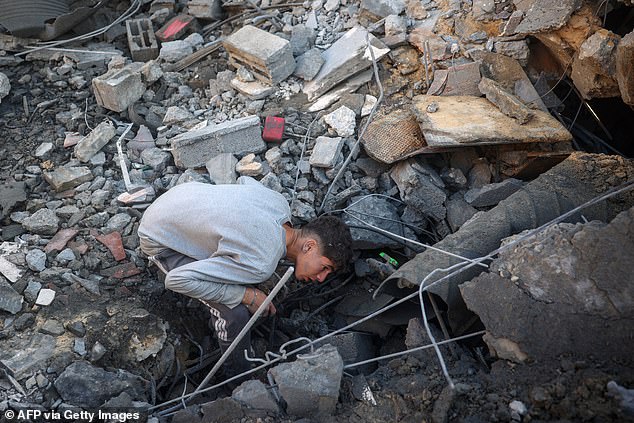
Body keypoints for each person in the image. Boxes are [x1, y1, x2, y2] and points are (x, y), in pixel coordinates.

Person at [137, 176, 353, 379]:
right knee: (235, 314)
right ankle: (236, 377)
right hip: (159, 238)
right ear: (309, 245)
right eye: (324, 267)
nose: (322, 278)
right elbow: (176, 280)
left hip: (178, 197)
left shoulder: (278, 202)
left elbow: (245, 180)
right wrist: (246, 295)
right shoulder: (261, 263)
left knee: (244, 275)